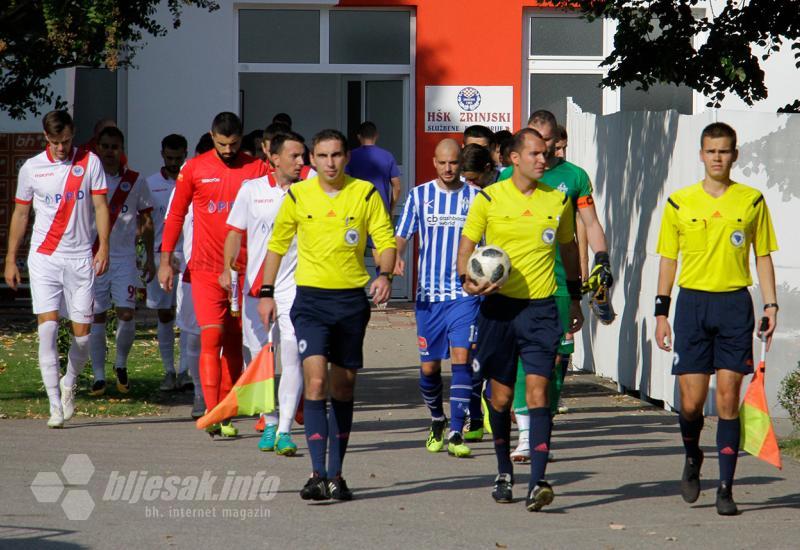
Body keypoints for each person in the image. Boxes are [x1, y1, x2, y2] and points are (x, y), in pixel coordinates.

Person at [258, 129, 396, 502]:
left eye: (336, 155)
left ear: (346, 157)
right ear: (312, 160)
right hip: (311, 302)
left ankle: (337, 474)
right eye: (322, 156)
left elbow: (384, 240)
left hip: (351, 302)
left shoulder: (365, 193)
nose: (330, 163)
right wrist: (266, 293)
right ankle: (317, 473)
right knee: (315, 383)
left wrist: (384, 273)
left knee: (343, 386)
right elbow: (277, 245)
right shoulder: (299, 195)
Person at [654, 122, 778, 516]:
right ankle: (693, 455)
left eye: (724, 151)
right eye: (711, 151)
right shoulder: (679, 202)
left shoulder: (752, 201)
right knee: (691, 403)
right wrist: (661, 312)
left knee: (727, 398)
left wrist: (771, 305)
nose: (718, 158)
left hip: (733, 306)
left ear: (734, 155)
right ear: (701, 154)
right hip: (691, 306)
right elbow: (668, 259)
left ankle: (726, 488)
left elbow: (762, 255)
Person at [458, 128, 583, 512]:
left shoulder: (557, 200)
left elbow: (568, 247)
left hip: (541, 310)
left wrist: (575, 298)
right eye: (534, 154)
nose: (542, 160)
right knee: (500, 397)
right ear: (514, 158)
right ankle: (502, 471)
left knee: (539, 393)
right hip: (498, 311)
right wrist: (468, 279)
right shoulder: (490, 199)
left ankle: (538, 481)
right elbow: (466, 250)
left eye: (545, 154)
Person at [508, 110, 612, 462]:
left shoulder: (574, 178)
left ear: (558, 140)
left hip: (559, 284)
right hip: (518, 286)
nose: (543, 146)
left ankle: (542, 425)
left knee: (554, 362)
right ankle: (526, 436)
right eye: (535, 138)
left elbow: (591, 223)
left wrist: (601, 259)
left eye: (549, 139)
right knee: (524, 361)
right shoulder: (507, 177)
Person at [159, 112, 267, 437]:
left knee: (235, 344)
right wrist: (166, 260)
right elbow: (176, 214)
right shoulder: (194, 168)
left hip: (243, 271)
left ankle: (227, 411)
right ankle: (210, 408)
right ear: (212, 137)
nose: (228, 150)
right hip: (205, 268)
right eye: (222, 144)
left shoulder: (257, 168)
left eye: (234, 144)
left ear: (241, 138)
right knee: (211, 336)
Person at [5, 110, 110, 428]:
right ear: (45, 137)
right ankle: (53, 404)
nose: (61, 148)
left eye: (65, 141)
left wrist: (103, 245)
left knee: (82, 337)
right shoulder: (32, 168)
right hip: (45, 256)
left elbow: (100, 206)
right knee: (47, 328)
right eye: (55, 142)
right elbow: (21, 214)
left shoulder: (90, 162)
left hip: (80, 258)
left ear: (73, 134)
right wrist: (11, 258)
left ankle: (69, 384)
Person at [222, 131, 314, 454]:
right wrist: (227, 268)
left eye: (304, 156)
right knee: (260, 359)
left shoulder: (311, 190)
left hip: (295, 287)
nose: (302, 161)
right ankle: (270, 420)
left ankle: (286, 429)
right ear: (274, 158)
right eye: (295, 156)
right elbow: (234, 232)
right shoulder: (251, 191)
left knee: (292, 355)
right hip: (256, 288)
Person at [394, 138, 481, 458]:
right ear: (434, 162)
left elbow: (489, 245)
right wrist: (395, 260)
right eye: (443, 162)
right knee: (430, 368)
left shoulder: (476, 198)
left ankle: (457, 431)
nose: (448, 168)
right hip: (428, 296)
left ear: (462, 164)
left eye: (454, 163)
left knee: (462, 358)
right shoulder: (420, 196)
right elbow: (401, 235)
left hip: (464, 294)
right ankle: (437, 419)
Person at [89, 126, 155, 396]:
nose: (109, 152)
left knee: (126, 313)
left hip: (125, 259)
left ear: (122, 149)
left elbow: (147, 221)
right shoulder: (88, 179)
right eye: (104, 146)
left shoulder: (136, 181)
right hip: (93, 257)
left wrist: (150, 257)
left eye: (114, 147)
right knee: (96, 315)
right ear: (97, 148)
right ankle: (98, 375)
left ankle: (121, 365)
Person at [146, 134, 192, 392]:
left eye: (179, 158)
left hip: (187, 256)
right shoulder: (151, 184)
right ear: (162, 154)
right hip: (158, 254)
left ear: (185, 154)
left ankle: (185, 370)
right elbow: (147, 224)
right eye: (170, 157)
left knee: (185, 313)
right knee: (164, 314)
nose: (174, 163)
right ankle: (168, 371)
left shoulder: (192, 181)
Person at [346, 121, 402, 215]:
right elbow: (397, 187)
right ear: (376, 136)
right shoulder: (387, 156)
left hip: (357, 209)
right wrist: (391, 209)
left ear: (359, 137)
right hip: (381, 210)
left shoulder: (350, 156)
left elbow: (344, 182)